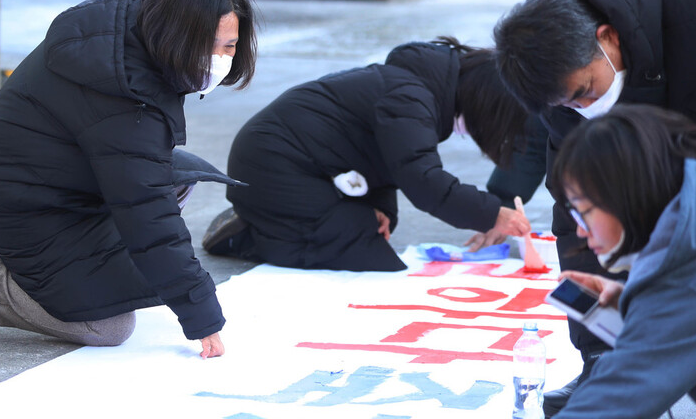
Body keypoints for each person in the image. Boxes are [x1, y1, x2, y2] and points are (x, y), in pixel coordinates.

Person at [0, 0, 257, 359]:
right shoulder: (126, 90)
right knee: (106, 326)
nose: (220, 59)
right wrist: (201, 313)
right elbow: (148, 215)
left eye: (230, 46)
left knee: (175, 177)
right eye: (211, 45)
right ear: (180, 33)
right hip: (21, 197)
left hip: (61, 175)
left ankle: (92, 275)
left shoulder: (142, 32)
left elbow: (146, 195)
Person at [493, 0, 696, 416]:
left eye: (587, 90)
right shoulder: (562, 103)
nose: (585, 109)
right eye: (569, 103)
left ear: (608, 36)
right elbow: (575, 216)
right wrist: (600, 349)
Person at [500, 104, 696, 419]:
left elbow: (602, 413)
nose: (580, 231)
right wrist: (635, 306)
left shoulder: (691, 277)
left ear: (627, 195)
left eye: (582, 212)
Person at [202, 38, 531, 271]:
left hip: (297, 164)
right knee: (358, 244)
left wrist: (379, 206)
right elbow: (422, 180)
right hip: (272, 165)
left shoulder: (419, 90)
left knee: (374, 228)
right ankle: (248, 236)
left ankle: (264, 222)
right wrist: (493, 213)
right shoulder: (411, 97)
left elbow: (388, 163)